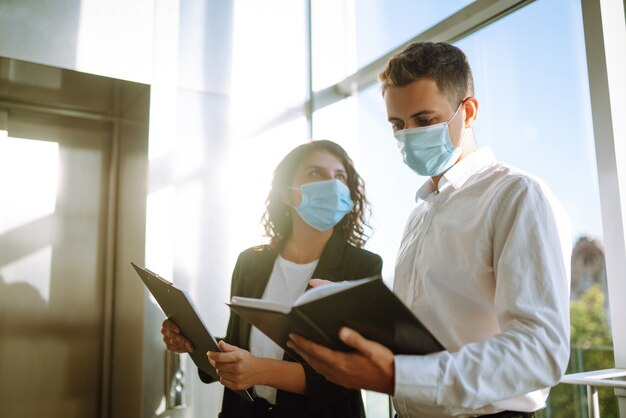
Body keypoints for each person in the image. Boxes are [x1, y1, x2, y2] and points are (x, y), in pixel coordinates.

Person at [288, 42, 572, 418]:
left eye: (424, 120)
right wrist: (354, 304)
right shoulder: (419, 216)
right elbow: (430, 324)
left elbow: (541, 351)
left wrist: (399, 376)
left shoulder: (516, 196)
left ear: (467, 112)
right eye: (397, 124)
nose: (408, 136)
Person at [161, 139, 383, 418]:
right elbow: (239, 344)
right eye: (315, 173)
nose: (333, 184)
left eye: (340, 176)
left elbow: (349, 374)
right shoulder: (251, 261)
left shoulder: (362, 266)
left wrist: (259, 370)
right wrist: (193, 341)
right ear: (288, 194)